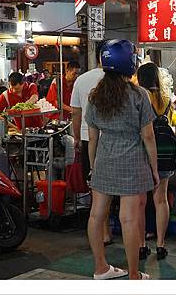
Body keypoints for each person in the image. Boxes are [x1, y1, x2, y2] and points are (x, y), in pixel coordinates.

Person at [85, 39, 159, 280]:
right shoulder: (139, 95)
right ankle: (134, 275)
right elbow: (148, 135)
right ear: (131, 63)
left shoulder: (95, 95)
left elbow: (93, 138)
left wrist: (93, 165)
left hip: (104, 160)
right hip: (133, 162)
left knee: (96, 215)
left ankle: (100, 268)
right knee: (128, 218)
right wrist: (155, 169)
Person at [70, 41, 112, 245]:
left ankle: (104, 232)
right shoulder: (120, 79)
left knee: (97, 186)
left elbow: (76, 112)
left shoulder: (82, 80)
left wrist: (77, 137)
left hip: (88, 140)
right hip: (115, 140)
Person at [136, 62, 174, 260]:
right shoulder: (167, 99)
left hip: (143, 151)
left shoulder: (139, 97)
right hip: (164, 151)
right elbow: (172, 120)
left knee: (141, 202)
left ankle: (142, 245)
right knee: (161, 200)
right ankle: (161, 245)